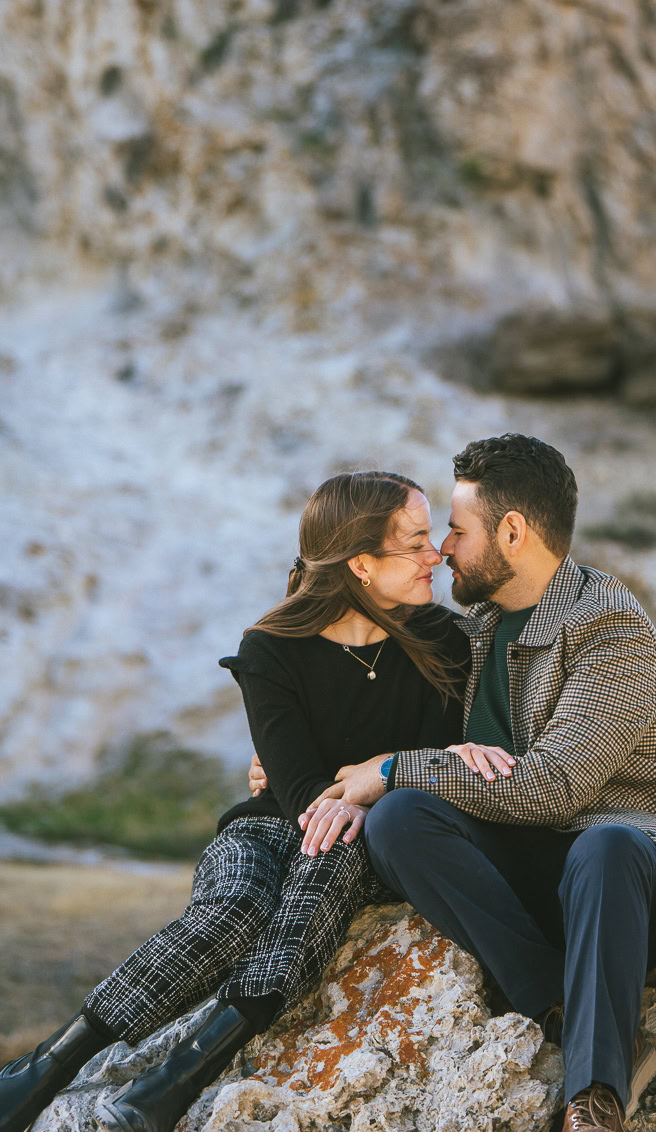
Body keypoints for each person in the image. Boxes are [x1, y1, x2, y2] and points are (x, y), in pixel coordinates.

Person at [288, 434, 656, 1132]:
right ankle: (554, 999)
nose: (444, 550)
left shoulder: (611, 629)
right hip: (541, 873)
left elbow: (555, 790)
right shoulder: (478, 626)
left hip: (639, 875)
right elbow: (378, 708)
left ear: (512, 533)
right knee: (400, 820)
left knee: (602, 845)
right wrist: (315, 764)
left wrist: (397, 767)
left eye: (457, 530)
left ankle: (595, 1096)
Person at [0, 470, 474, 1132]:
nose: (438, 555)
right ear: (362, 562)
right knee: (235, 906)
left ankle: (171, 1083)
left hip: (363, 840)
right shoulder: (271, 648)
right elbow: (300, 790)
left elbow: (428, 760)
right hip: (263, 831)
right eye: (418, 542)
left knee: (331, 855)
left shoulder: (447, 644)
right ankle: (45, 1067)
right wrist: (359, 780)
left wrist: (370, 783)